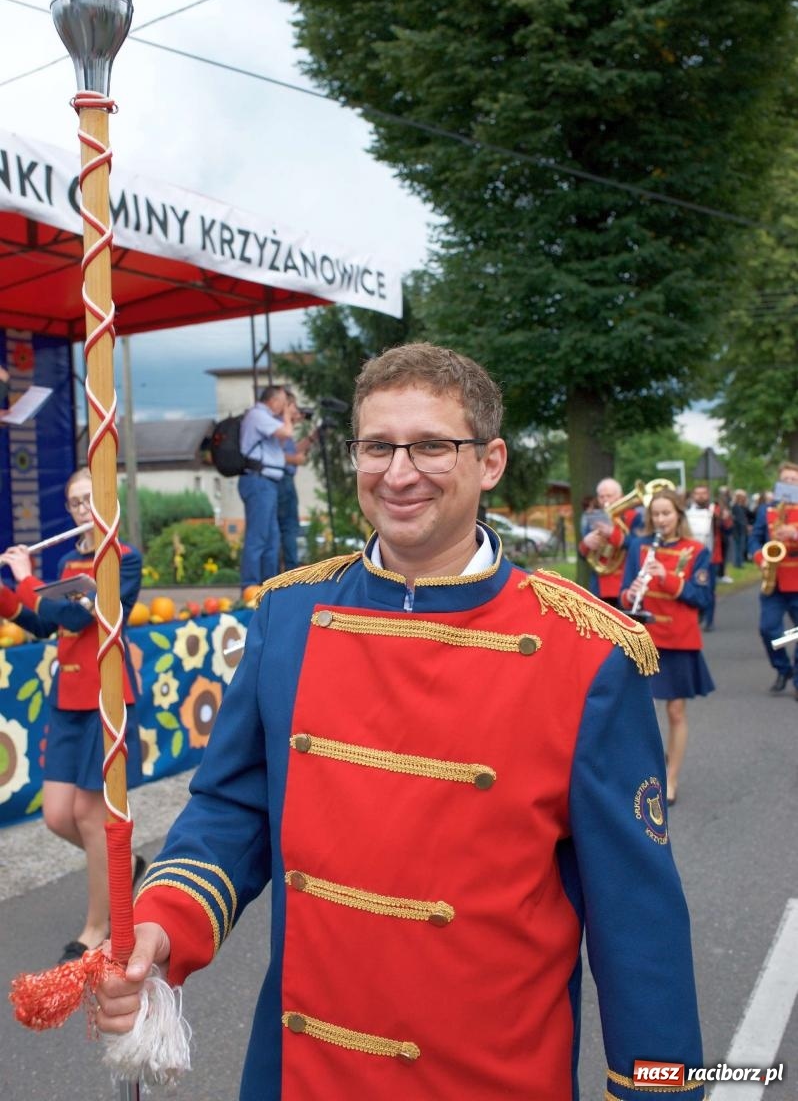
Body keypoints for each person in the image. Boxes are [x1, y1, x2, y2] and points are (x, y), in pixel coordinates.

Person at [94, 344, 704, 1100]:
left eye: (432, 446)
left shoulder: (586, 654)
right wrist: (163, 925)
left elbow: (637, 923)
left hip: (492, 1080)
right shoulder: (290, 615)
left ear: (489, 462)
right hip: (306, 1074)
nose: (399, 471)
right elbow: (233, 808)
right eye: (377, 446)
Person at [0, 467, 145, 962]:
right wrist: (7, 593)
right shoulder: (65, 563)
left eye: (91, 499)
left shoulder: (124, 560)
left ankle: (96, 926)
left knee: (90, 815)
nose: (84, 510)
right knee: (58, 815)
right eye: (76, 503)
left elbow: (81, 614)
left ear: (110, 503)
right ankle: (122, 872)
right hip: (67, 698)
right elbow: (44, 622)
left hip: (106, 695)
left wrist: (26, 578)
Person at [621, 485, 714, 806]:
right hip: (645, 636)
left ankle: (671, 778)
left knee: (675, 711)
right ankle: (642, 773)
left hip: (678, 639)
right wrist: (630, 595)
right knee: (638, 711)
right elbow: (623, 592)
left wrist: (667, 578)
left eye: (666, 514)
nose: (660, 520)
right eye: (655, 515)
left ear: (678, 515)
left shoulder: (696, 550)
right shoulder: (639, 546)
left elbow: (702, 598)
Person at [238, 384, 295, 588]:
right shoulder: (257, 415)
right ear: (272, 400)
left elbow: (278, 446)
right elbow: (286, 433)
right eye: (282, 401)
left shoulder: (266, 420)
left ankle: (268, 587)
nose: (284, 406)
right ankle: (250, 586)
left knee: (272, 539)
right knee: (258, 537)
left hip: (267, 484)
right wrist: (287, 415)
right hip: (258, 481)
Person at [749, 461, 798, 697]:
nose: (789, 484)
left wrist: (795, 533)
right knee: (768, 629)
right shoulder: (767, 510)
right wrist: (762, 559)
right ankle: (783, 668)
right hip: (775, 581)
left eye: (794, 480)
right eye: (785, 480)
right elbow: (755, 539)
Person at [577, 476, 643, 606]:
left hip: (626, 583)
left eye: (609, 496)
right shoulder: (594, 517)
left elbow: (640, 547)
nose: (605, 501)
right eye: (601, 497)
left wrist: (613, 534)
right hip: (599, 586)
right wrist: (586, 543)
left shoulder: (634, 517)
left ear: (621, 497)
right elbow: (583, 555)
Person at [276, 390, 314, 572]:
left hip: (287, 479)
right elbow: (276, 454)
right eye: (293, 406)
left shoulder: (286, 429)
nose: (296, 410)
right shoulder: (279, 427)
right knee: (288, 526)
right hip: (282, 479)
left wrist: (312, 438)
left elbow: (293, 450)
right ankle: (289, 568)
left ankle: (290, 566)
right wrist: (296, 460)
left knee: (290, 525)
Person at [685, 482, 731, 631]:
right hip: (690, 557)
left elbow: (728, 529)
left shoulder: (715, 510)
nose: (700, 496)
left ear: (708, 495)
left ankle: (708, 621)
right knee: (692, 587)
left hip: (711, 557)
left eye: (703, 493)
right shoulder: (686, 512)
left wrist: (724, 518)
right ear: (693, 496)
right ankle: (696, 616)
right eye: (698, 493)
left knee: (709, 589)